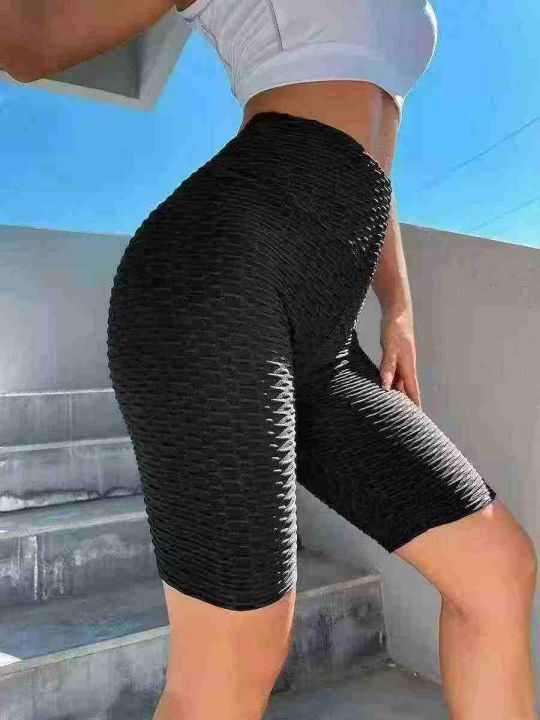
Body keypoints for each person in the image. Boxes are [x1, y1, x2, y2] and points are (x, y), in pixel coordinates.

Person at [4, 2, 537, 718]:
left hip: (323, 333)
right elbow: (32, 41)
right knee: (236, 654)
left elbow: (376, 158)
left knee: (496, 572)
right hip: (219, 278)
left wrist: (399, 307)